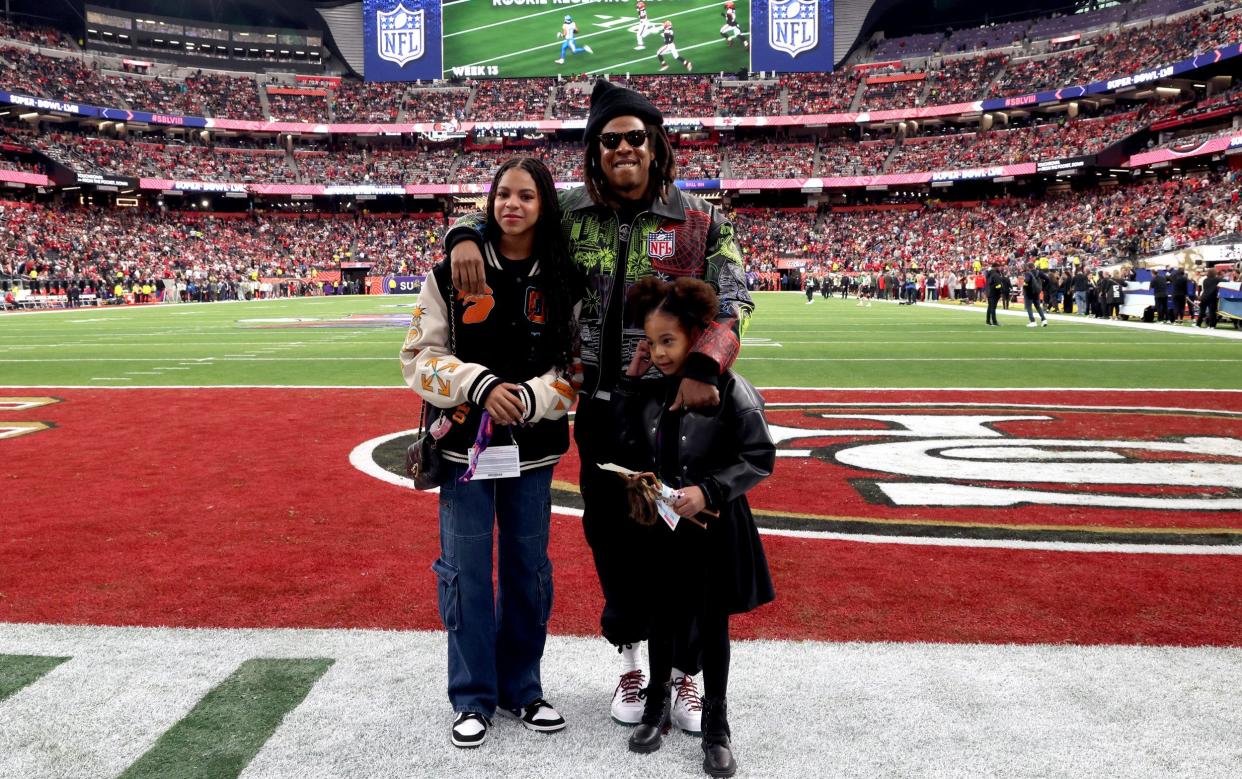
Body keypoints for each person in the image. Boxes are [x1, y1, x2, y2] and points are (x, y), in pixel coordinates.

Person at [444, 79, 753, 734]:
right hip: (601, 410)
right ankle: (634, 662)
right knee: (613, 540)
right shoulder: (570, 213)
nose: (622, 149)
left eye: (635, 137)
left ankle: (687, 673)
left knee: (683, 539)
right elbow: (508, 212)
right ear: (593, 149)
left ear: (656, 144)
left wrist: (707, 360)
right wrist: (464, 234)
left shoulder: (697, 220)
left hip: (676, 412)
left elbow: (735, 300)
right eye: (609, 139)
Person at [401, 157, 579, 749]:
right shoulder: (451, 269)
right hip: (463, 454)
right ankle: (472, 695)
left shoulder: (565, 274)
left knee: (529, 572)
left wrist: (531, 398)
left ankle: (523, 689)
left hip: (533, 451)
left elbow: (579, 365)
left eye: (526, 196)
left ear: (543, 203)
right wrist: (479, 386)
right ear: (489, 200)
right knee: (467, 574)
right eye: (503, 194)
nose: (512, 205)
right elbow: (418, 358)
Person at [618, 276, 774, 778]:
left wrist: (709, 490)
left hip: (714, 527)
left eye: (669, 341)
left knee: (712, 627)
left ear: (696, 336)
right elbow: (627, 446)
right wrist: (630, 380)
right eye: (653, 341)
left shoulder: (730, 387)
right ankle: (655, 708)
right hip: (663, 529)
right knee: (662, 618)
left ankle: (716, 725)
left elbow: (759, 456)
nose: (661, 352)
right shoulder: (649, 387)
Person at [1022, 262, 1047, 327]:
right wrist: (1042, 287)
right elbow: (1047, 279)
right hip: (1036, 291)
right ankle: (1044, 320)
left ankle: (1032, 321)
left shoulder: (1028, 273)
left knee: (1029, 307)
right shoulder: (1039, 273)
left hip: (1029, 292)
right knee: (1038, 306)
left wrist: (1024, 286)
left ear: (1028, 267)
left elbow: (1026, 281)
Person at [985, 262, 1005, 326]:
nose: (999, 268)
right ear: (996, 267)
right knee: (993, 308)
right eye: (998, 267)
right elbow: (998, 285)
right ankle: (994, 322)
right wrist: (1000, 292)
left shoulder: (989, 274)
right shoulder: (995, 274)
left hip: (989, 292)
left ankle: (988, 321)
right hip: (994, 293)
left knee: (990, 307)